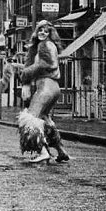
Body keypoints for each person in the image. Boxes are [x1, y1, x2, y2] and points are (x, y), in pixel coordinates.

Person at [16, 20, 70, 164]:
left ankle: (43, 152)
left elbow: (45, 64)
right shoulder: (49, 45)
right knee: (44, 118)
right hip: (54, 87)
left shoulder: (44, 45)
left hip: (45, 86)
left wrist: (25, 73)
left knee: (29, 119)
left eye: (46, 31)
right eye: (40, 30)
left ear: (50, 33)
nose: (42, 33)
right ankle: (61, 151)